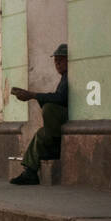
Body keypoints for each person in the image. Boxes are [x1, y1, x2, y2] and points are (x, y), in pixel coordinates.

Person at [11, 44, 69, 186]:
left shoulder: (70, 77)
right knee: (41, 133)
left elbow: (61, 98)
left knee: (49, 110)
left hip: (66, 121)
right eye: (56, 61)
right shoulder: (64, 78)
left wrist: (33, 95)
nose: (57, 64)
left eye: (61, 60)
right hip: (57, 126)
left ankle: (51, 147)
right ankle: (30, 172)